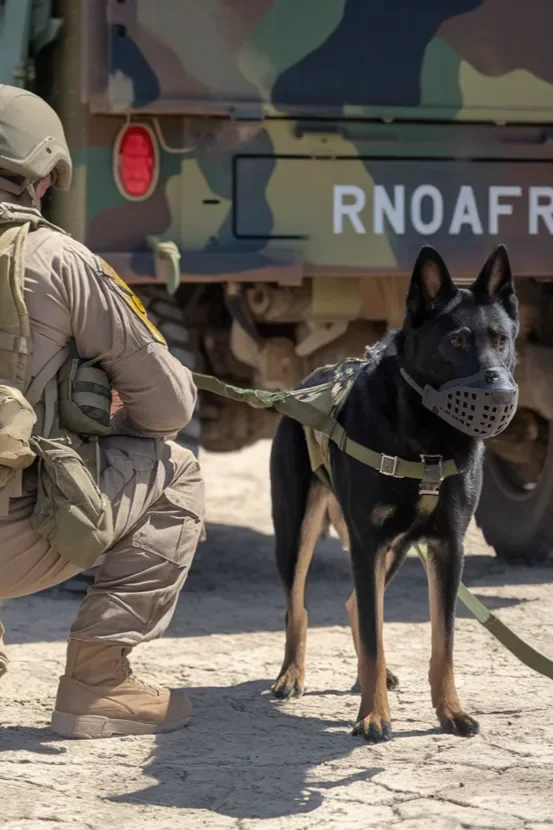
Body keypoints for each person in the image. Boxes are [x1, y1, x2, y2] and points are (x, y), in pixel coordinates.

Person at [0, 84, 205, 739]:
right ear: (44, 174)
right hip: (16, 544)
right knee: (174, 470)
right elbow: (169, 408)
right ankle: (97, 683)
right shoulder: (58, 260)